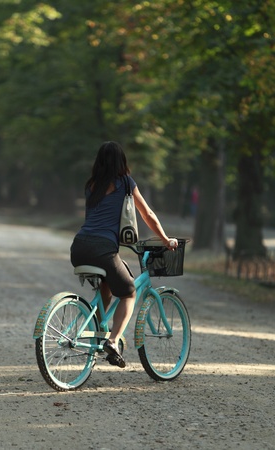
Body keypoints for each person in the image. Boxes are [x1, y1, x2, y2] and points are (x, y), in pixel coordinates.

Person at [70, 141, 177, 368]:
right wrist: (166, 239)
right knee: (128, 292)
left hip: (79, 246)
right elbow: (147, 213)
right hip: (102, 249)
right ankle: (112, 340)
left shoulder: (91, 185)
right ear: (122, 162)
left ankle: (100, 330)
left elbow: (94, 218)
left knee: (107, 286)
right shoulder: (125, 183)